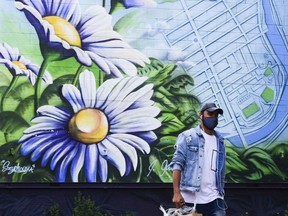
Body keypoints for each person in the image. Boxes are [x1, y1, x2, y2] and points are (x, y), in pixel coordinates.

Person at [170, 102, 226, 216]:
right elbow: (177, 164)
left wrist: (220, 192)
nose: (213, 118)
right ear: (201, 115)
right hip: (190, 200)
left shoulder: (220, 140)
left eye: (216, 115)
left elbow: (221, 170)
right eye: (210, 114)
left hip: (214, 199)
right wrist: (176, 193)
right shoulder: (188, 137)